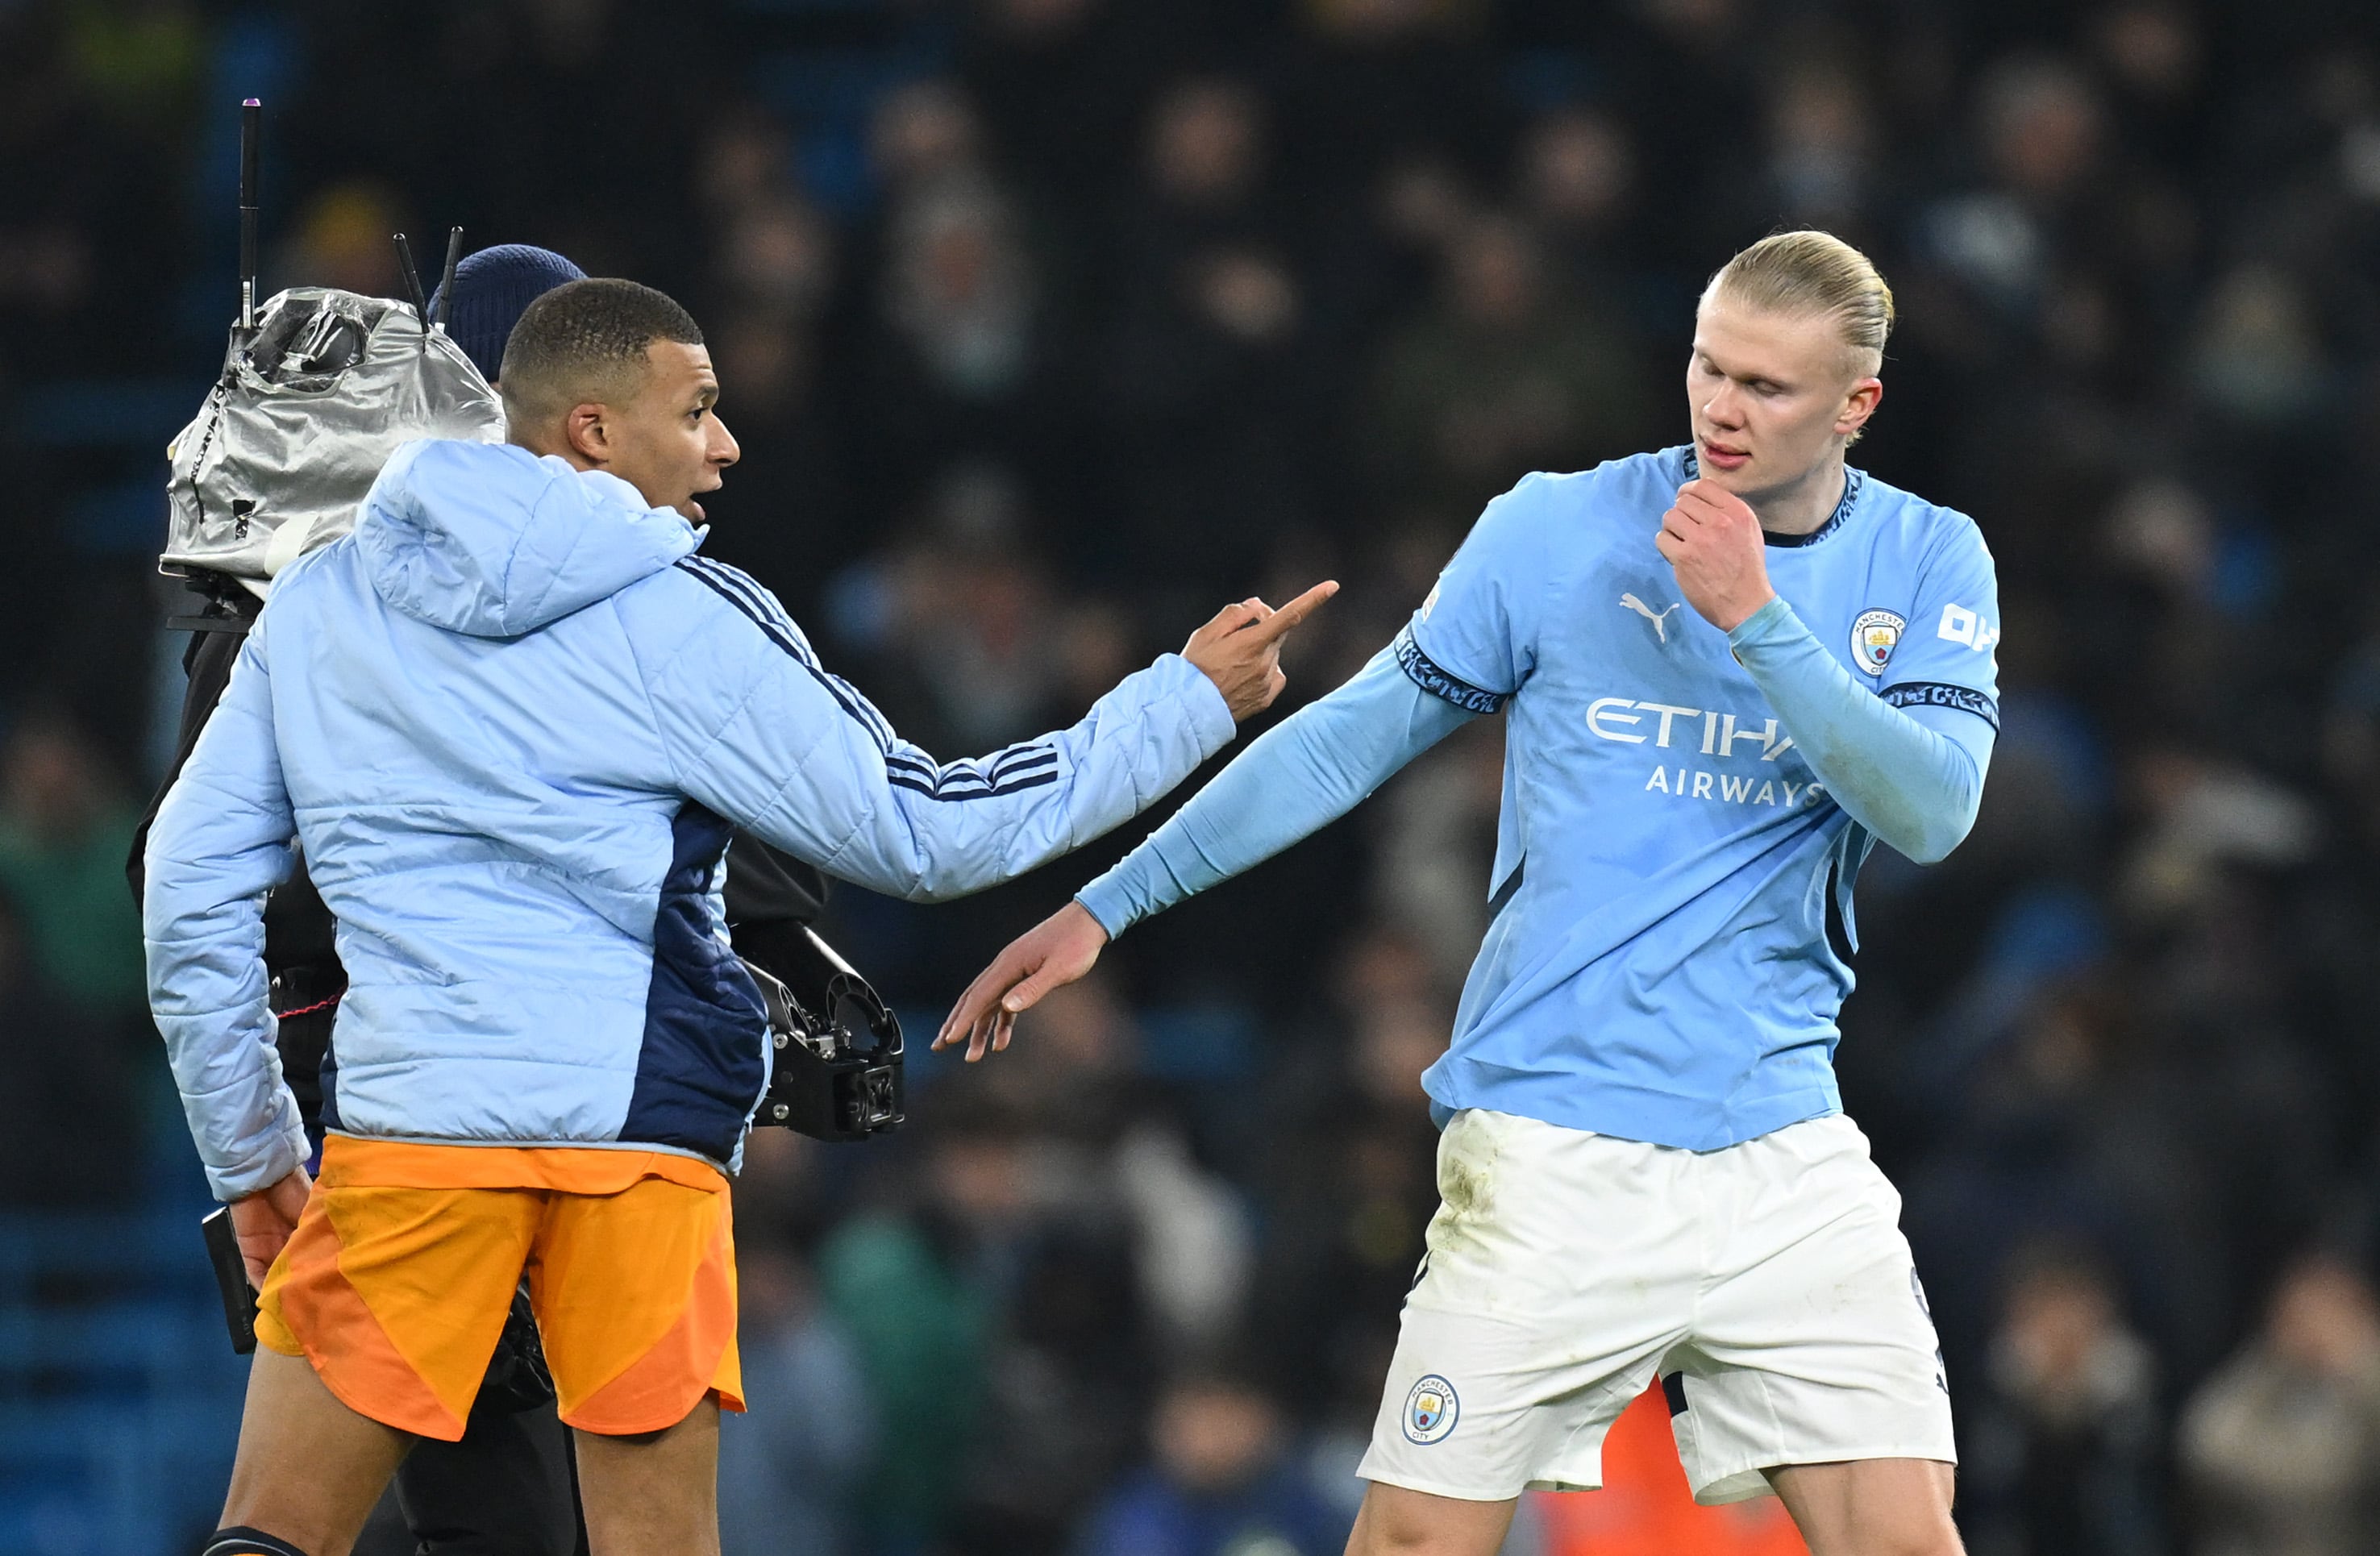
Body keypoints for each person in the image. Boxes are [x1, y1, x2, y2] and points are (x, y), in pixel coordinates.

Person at [146, 275, 1333, 1556]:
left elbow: (187, 900)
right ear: (591, 430)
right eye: (698, 408)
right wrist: (1187, 702)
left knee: (271, 1533)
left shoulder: (322, 605)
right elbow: (930, 831)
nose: (728, 443)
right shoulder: (683, 618)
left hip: (412, 1144)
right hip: (637, 1158)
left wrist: (254, 1159)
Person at [942, 230, 1999, 1556]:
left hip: (1781, 1149)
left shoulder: (1928, 559)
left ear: (1859, 405)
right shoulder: (1556, 528)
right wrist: (1108, 903)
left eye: (1770, 389)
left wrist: (1756, 618)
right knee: (1410, 1546)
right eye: (1707, 368)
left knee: (1909, 1542)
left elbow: (1935, 810)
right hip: (1552, 1147)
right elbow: (1349, 738)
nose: (1723, 410)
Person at [134, 244, 600, 1556]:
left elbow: (173, 887)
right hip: (398, 1102)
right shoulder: (322, 594)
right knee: (471, 1497)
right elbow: (187, 885)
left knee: (419, 1497)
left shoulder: (510, 589)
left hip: (421, 1097)